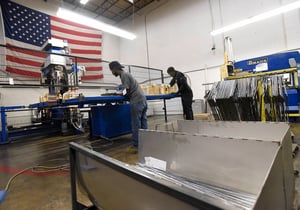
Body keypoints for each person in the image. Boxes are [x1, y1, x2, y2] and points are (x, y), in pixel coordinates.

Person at [109, 61, 148, 150]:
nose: (112, 73)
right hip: (143, 100)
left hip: (136, 101)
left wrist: (119, 93)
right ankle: (145, 141)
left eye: (111, 70)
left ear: (114, 69)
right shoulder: (127, 74)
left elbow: (127, 90)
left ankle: (136, 144)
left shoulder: (124, 75)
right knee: (143, 122)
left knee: (136, 123)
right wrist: (122, 92)